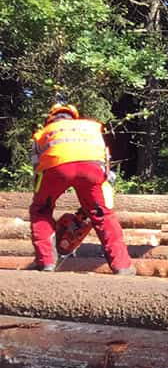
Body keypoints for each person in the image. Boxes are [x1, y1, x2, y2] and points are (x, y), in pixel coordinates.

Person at [28, 103, 134, 275]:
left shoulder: (43, 133)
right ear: (74, 116)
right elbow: (105, 160)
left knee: (41, 211)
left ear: (51, 117)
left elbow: (37, 167)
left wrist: (41, 197)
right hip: (92, 169)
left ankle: (46, 262)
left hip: (55, 168)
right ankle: (122, 266)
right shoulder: (91, 127)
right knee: (103, 215)